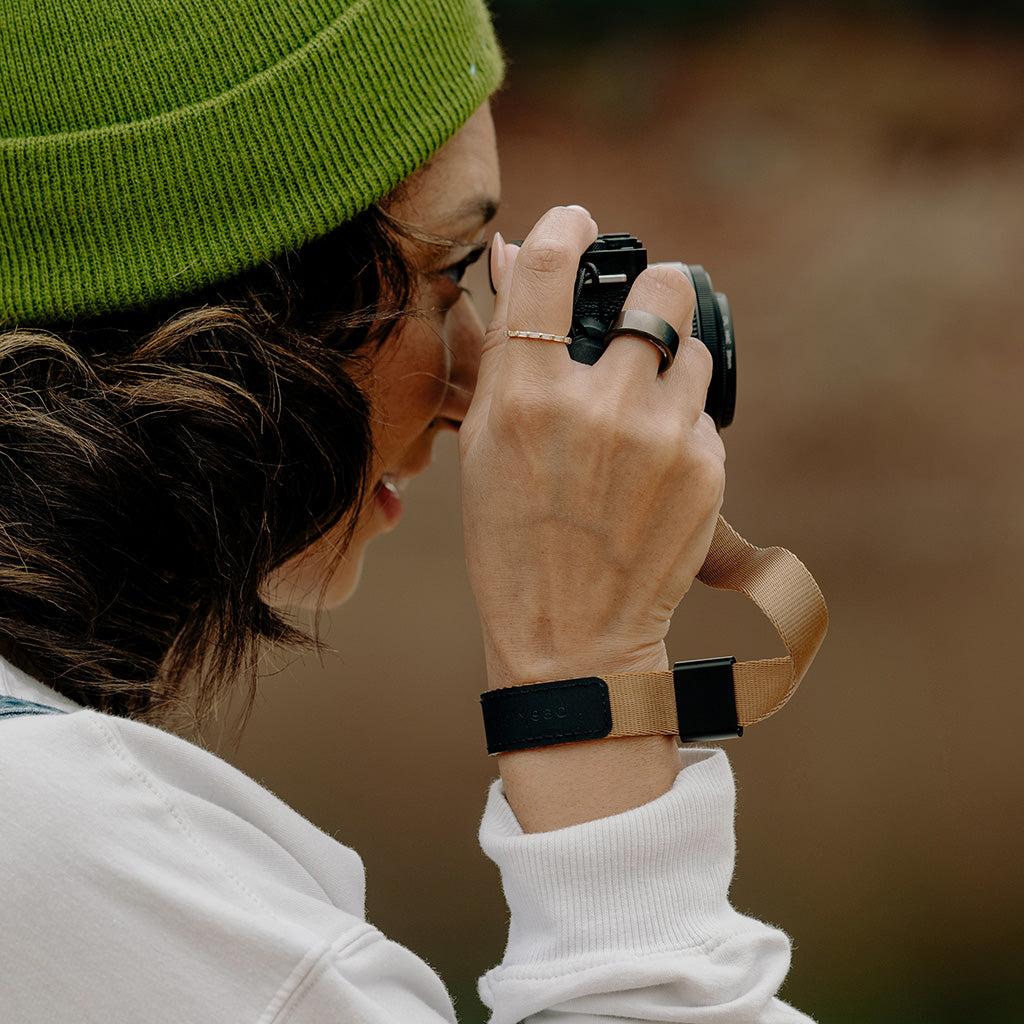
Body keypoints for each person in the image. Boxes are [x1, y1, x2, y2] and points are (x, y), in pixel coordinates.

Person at [0, 0, 813, 1021]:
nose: (479, 381)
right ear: (243, 300)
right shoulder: (77, 863)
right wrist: (583, 673)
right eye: (445, 275)